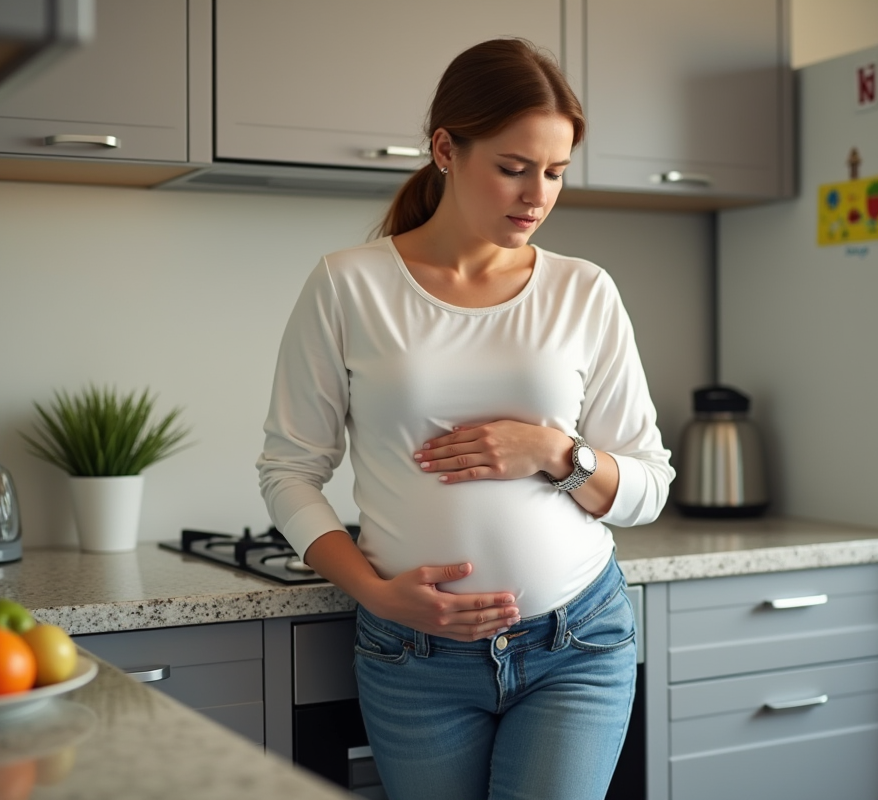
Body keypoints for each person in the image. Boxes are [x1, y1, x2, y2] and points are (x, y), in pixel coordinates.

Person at [257, 37, 674, 800]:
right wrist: (375, 594)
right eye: (513, 168)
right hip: (414, 657)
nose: (536, 195)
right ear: (446, 149)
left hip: (575, 642)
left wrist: (556, 452)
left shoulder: (585, 291)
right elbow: (289, 469)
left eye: (554, 172)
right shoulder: (349, 285)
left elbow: (648, 487)